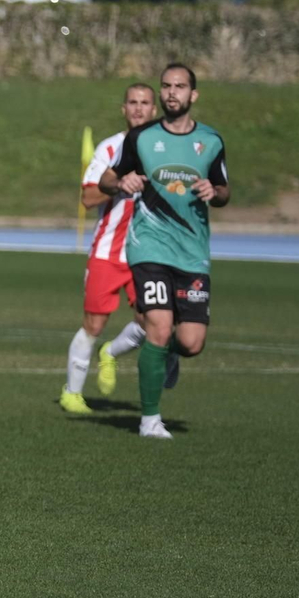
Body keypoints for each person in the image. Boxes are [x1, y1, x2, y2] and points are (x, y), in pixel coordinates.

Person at [98, 63, 229, 439]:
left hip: (192, 252)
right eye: (167, 86)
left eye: (180, 86)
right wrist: (120, 180)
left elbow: (224, 190)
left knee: (190, 342)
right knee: (158, 325)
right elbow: (107, 178)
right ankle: (150, 421)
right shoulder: (140, 138)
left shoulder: (211, 141)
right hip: (148, 246)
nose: (172, 92)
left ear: (193, 95)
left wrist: (213, 192)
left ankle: (170, 351)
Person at [59, 83, 156, 414]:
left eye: (145, 103)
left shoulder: (164, 150)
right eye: (133, 102)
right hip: (108, 253)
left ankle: (111, 354)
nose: (139, 108)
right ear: (123, 108)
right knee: (94, 324)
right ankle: (72, 393)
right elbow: (87, 198)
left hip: (149, 255)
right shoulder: (110, 148)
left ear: (155, 110)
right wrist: (119, 181)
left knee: (152, 321)